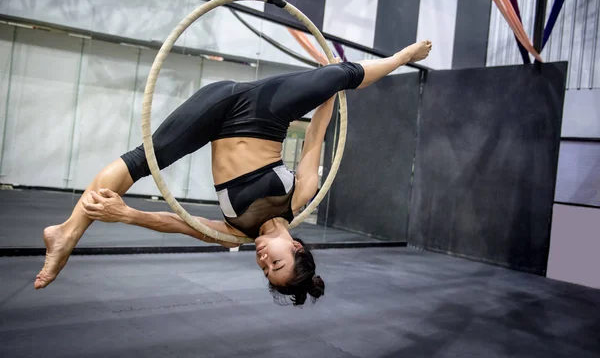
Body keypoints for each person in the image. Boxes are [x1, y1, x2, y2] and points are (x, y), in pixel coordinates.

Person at [35, 40, 432, 305]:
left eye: (264, 270)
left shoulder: (235, 232)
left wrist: (128, 215)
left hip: (218, 108)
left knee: (142, 160)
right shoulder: (300, 197)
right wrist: (327, 90)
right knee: (342, 75)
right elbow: (315, 136)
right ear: (296, 248)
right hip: (265, 110)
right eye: (275, 263)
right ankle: (402, 58)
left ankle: (66, 233)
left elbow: (177, 222)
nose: (262, 260)